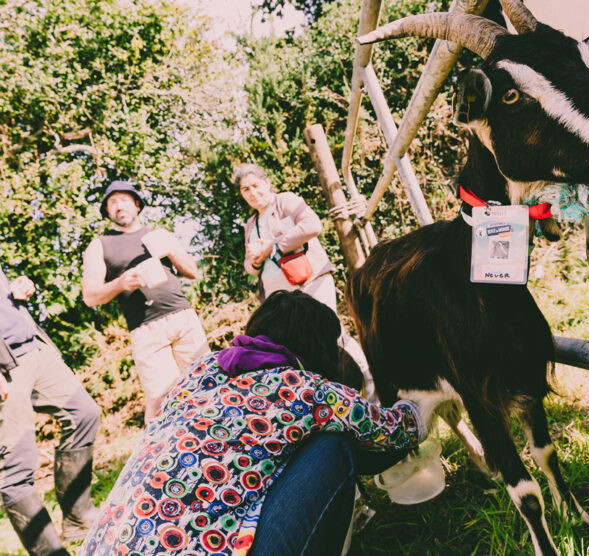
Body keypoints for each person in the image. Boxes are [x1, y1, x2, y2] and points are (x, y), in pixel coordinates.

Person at [79, 290, 425, 556]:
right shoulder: (300, 387)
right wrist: (419, 400)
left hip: (109, 544)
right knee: (331, 447)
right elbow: (394, 430)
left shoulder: (200, 371)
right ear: (319, 345)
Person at [236, 163, 376, 400]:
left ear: (267, 183)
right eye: (245, 189)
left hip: (310, 281)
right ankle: (334, 398)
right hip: (279, 299)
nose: (252, 192)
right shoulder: (250, 224)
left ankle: (373, 390)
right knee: (302, 346)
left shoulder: (285, 201)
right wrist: (255, 260)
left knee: (334, 333)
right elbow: (249, 267)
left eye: (255, 185)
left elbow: (313, 225)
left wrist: (275, 245)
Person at [82, 180, 209, 423]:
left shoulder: (158, 234)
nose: (119, 206)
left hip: (182, 318)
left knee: (206, 381)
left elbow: (193, 271)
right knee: (161, 401)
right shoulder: (99, 245)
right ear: (107, 211)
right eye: (112, 202)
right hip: (145, 330)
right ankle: (162, 455)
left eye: (124, 200)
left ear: (137, 204)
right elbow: (90, 296)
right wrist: (120, 283)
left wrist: (170, 250)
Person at [0, 269, 100, 556]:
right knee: (16, 469)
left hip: (32, 350)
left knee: (84, 414)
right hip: (4, 366)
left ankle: (78, 518)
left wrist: (17, 292)